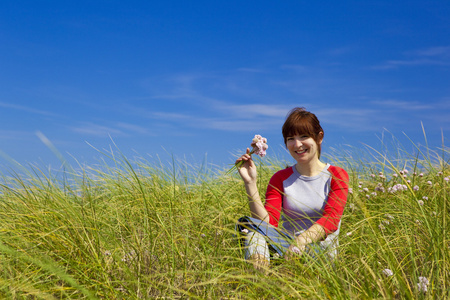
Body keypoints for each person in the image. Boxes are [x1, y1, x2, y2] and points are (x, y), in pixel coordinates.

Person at [235, 107, 349, 269]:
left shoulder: (336, 175)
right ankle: (262, 285)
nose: (297, 144)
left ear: (319, 137)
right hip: (286, 249)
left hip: (320, 253)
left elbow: (331, 220)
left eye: (304, 136)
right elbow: (268, 225)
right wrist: (250, 182)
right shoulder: (280, 178)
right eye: (290, 139)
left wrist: (300, 241)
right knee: (247, 225)